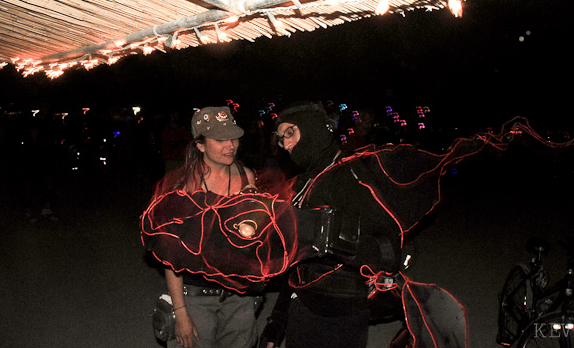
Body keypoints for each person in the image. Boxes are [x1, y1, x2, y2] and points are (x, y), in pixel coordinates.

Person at [260, 101, 404, 348]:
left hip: (344, 313)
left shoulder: (352, 177)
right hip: (303, 307)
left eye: (290, 133)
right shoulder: (304, 183)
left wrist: (336, 241)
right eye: (281, 138)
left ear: (311, 128)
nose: (286, 144)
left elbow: (390, 248)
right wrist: (278, 318)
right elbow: (296, 259)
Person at [154, 106, 262, 348]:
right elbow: (171, 255)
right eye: (220, 139)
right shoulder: (183, 186)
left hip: (239, 296)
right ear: (200, 145)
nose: (231, 145)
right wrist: (180, 312)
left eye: (233, 137)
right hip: (196, 296)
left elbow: (252, 241)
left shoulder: (246, 177)